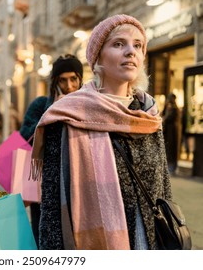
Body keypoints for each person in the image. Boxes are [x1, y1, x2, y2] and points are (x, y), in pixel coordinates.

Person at [31, 14, 173, 250]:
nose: (131, 51)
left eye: (137, 45)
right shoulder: (68, 116)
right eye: (119, 44)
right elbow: (52, 207)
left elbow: (164, 190)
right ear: (98, 57)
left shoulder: (148, 115)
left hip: (148, 242)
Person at [19, 54, 84, 248]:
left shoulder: (88, 105)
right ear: (55, 82)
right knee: (45, 240)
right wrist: (53, 110)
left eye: (74, 79)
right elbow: (24, 139)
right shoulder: (40, 105)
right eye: (63, 80)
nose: (69, 86)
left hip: (78, 184)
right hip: (43, 187)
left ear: (81, 79)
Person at [161, 93, 180, 174]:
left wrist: (165, 118)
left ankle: (173, 166)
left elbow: (169, 118)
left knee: (172, 149)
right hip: (168, 132)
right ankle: (169, 166)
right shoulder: (168, 107)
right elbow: (163, 114)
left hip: (172, 132)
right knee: (168, 149)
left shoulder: (175, 109)